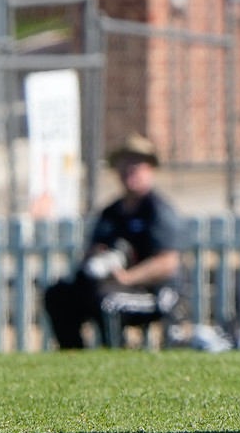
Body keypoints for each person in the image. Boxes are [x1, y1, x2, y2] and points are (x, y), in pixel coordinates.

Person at [42, 134, 183, 349]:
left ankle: (115, 357)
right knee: (59, 294)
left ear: (150, 168)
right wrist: (94, 258)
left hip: (152, 292)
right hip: (110, 286)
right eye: (125, 163)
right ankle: (73, 354)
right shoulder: (111, 212)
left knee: (108, 301)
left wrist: (128, 277)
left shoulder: (157, 211)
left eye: (137, 163)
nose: (130, 169)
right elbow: (92, 250)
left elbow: (167, 262)